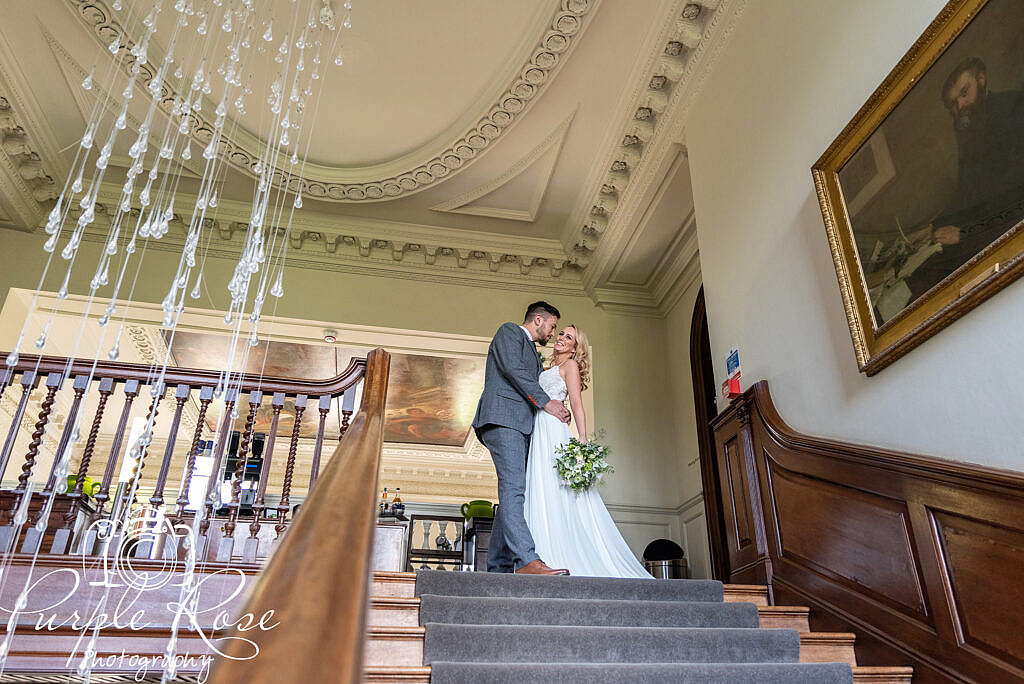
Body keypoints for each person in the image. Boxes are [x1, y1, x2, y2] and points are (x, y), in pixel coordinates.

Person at [524, 325, 650, 578]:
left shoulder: (569, 367)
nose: (561, 338)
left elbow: (577, 404)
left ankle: (558, 555)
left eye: (568, 337)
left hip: (553, 430)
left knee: (556, 486)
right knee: (540, 486)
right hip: (538, 427)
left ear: (575, 347)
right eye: (560, 334)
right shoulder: (545, 367)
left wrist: (582, 440)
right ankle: (538, 556)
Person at [907, 56, 1024, 298]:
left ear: (982, 79)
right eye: (953, 103)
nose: (960, 106)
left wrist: (967, 233)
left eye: (964, 92)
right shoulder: (970, 130)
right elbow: (968, 194)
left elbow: (1012, 196)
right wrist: (933, 228)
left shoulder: (1012, 108)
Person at [472, 302, 572, 575]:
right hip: (504, 418)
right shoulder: (509, 332)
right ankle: (527, 560)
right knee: (514, 489)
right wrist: (547, 403)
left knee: (514, 494)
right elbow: (513, 370)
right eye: (552, 327)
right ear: (538, 319)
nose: (553, 334)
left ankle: (499, 567)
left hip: (522, 425)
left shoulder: (534, 351)